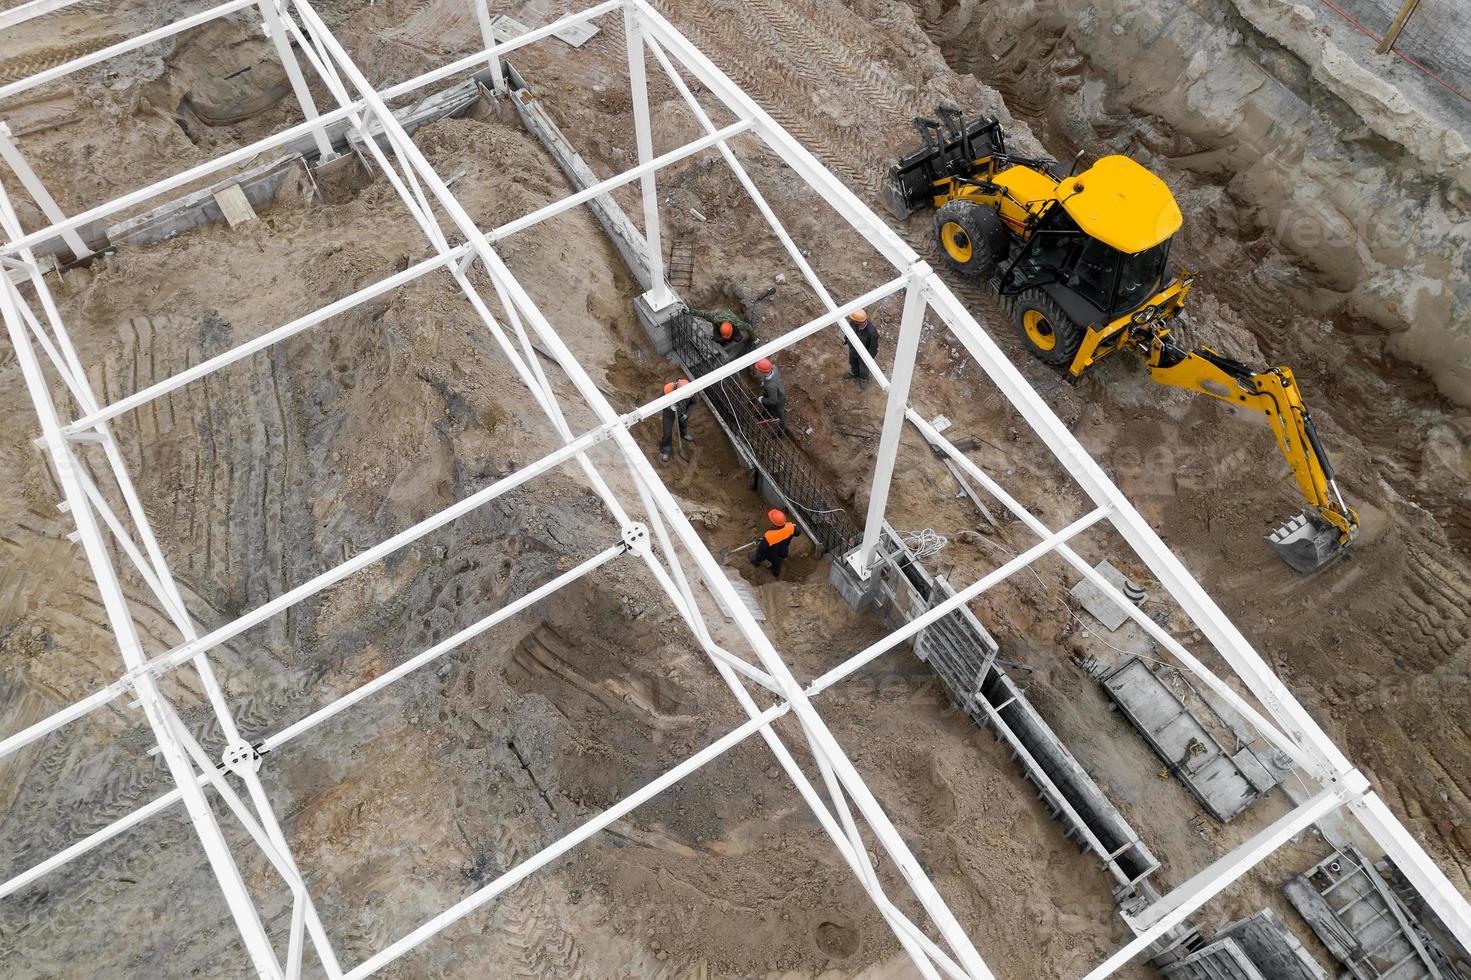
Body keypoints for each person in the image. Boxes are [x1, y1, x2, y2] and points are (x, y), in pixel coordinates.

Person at [751, 508, 802, 578]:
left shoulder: (769, 536)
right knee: (777, 563)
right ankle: (776, 573)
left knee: (760, 554)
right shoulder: (790, 527)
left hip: (771, 554)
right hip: (782, 552)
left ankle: (756, 562)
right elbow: (798, 532)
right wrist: (793, 526)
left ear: (774, 524)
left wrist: (760, 543)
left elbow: (762, 548)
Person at [690, 307, 758, 359]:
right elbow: (703, 314)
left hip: (731, 326)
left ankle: (727, 340)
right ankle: (723, 341)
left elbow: (748, 327)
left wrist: (755, 339)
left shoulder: (737, 323)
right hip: (718, 329)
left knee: (738, 338)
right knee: (718, 339)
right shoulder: (715, 319)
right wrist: (691, 311)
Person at [659, 379, 696, 462]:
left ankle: (684, 434)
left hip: (682, 411)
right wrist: (669, 406)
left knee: (683, 423)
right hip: (669, 413)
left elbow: (694, 403)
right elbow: (658, 402)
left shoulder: (692, 391)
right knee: (667, 432)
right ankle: (666, 450)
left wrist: (687, 414)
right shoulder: (667, 389)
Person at [842, 307, 879, 389]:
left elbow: (873, 348)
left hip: (864, 354)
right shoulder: (853, 323)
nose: (852, 321)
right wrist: (846, 339)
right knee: (852, 361)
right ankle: (854, 372)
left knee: (863, 367)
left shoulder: (872, 332)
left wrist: (868, 358)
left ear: (859, 321)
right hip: (853, 349)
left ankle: (863, 378)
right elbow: (848, 331)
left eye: (854, 320)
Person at [754, 358, 787, 434]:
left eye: (758, 370)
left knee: (780, 415)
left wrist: (762, 399)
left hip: (779, 400)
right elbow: (768, 378)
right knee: (768, 406)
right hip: (775, 392)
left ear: (761, 371)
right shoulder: (774, 368)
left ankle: (780, 432)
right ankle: (766, 415)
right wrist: (764, 383)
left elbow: (773, 400)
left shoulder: (770, 386)